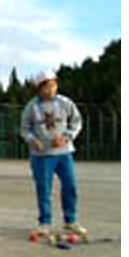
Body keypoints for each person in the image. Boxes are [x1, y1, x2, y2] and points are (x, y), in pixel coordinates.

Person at [20, 70, 88, 242]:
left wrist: (66, 137)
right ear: (39, 89)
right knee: (44, 189)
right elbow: (24, 129)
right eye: (46, 87)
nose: (51, 90)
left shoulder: (65, 103)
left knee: (70, 185)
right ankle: (45, 223)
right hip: (41, 156)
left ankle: (70, 221)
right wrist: (32, 140)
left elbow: (77, 122)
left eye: (53, 85)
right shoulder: (32, 107)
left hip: (64, 153)